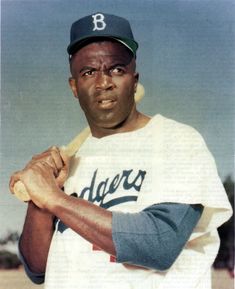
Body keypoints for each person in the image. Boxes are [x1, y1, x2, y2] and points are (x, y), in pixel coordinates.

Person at [9, 12, 232, 289]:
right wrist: (39, 202)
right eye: (88, 72)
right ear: (74, 87)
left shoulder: (179, 140)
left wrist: (55, 200)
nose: (104, 83)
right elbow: (37, 269)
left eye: (116, 69)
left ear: (134, 79)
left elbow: (159, 243)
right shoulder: (69, 166)